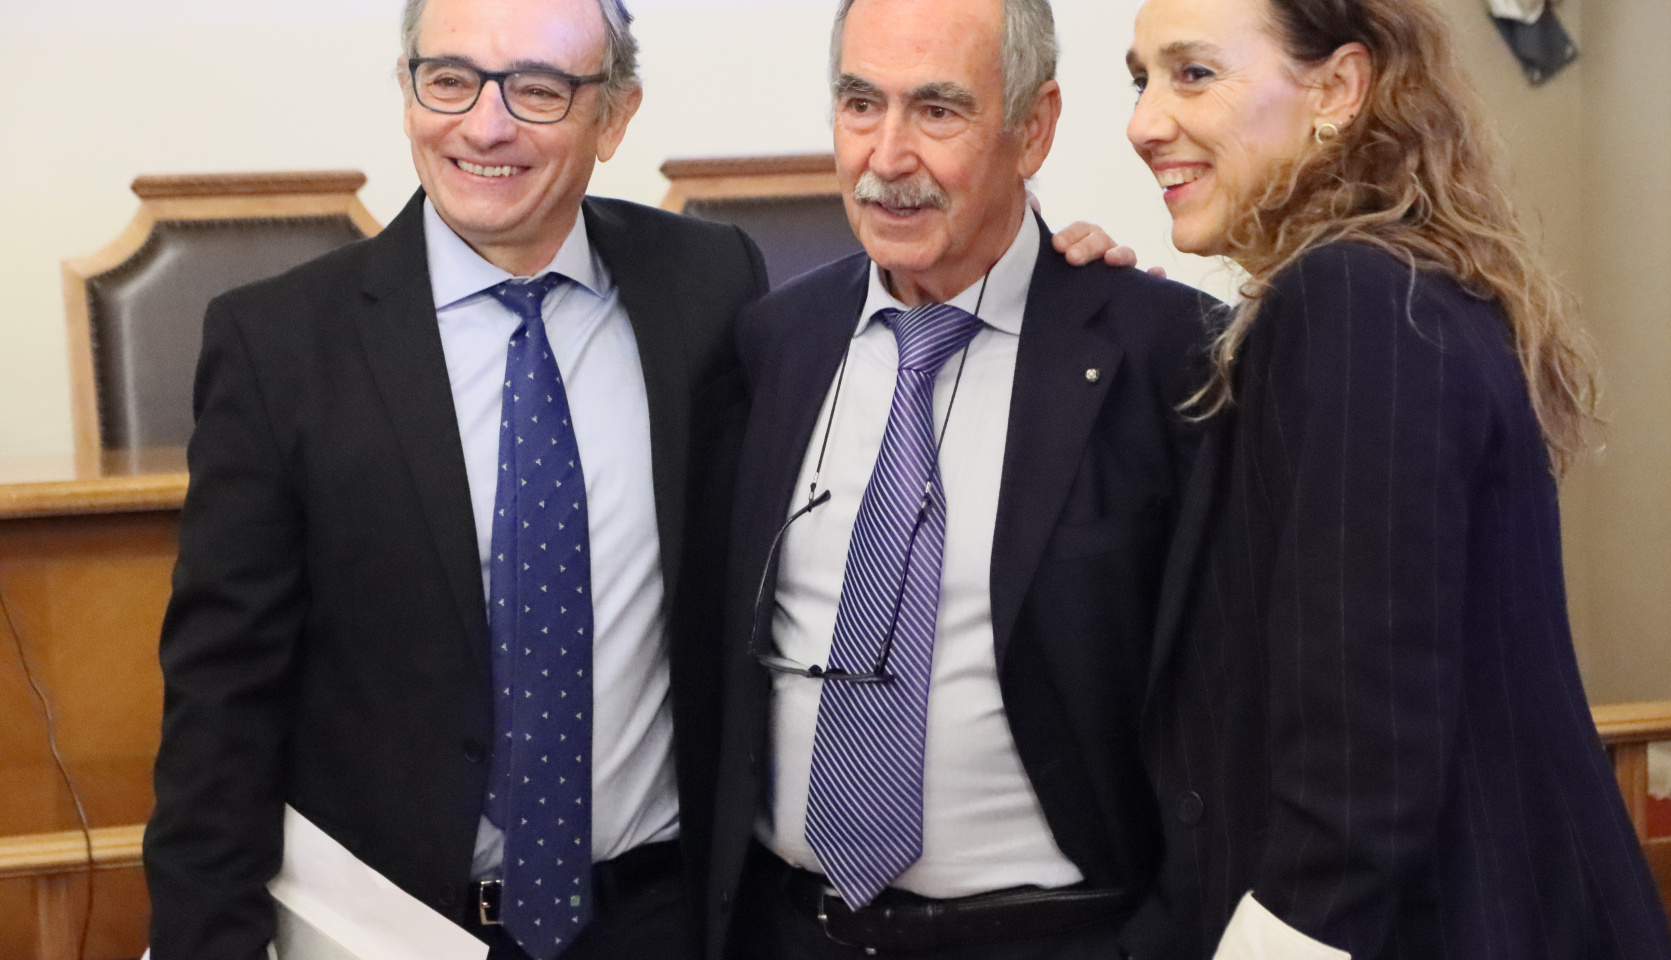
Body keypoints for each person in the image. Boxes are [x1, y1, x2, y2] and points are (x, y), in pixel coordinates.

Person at [141, 0, 1132, 956]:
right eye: (448, 80)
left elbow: (906, 328)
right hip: (401, 928)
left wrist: (1054, 285)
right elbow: (218, 713)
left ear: (614, 114)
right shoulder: (277, 346)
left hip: (667, 918)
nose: (485, 123)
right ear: (406, 90)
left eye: (535, 88)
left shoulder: (707, 289)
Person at [1123, 0, 1671, 957]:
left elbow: (1359, 774)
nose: (1144, 122)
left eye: (1193, 74)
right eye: (1141, 80)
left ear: (1336, 89)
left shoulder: (1352, 299)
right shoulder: (1393, 286)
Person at [706, 1, 1219, 957]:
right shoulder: (774, 342)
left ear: (1035, 126)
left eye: (938, 111)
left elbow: (1231, 709)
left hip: (1051, 935)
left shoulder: (1164, 356)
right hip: (787, 930)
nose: (887, 157)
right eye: (860, 104)